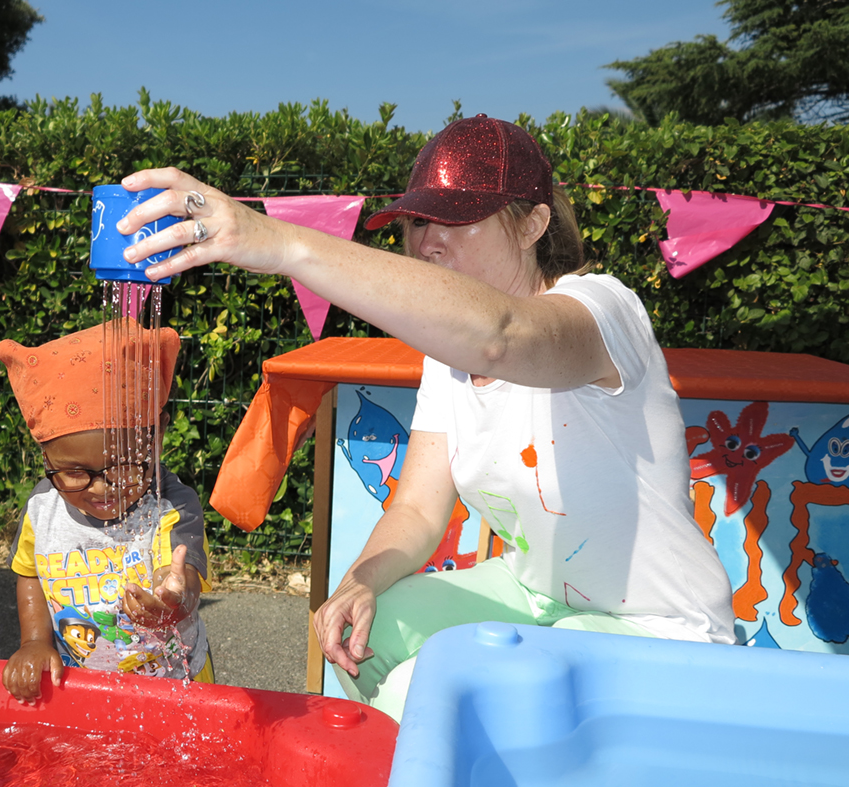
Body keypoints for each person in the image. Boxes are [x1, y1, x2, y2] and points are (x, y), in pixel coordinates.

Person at [112, 114, 737, 719]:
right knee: (367, 630)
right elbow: (415, 509)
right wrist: (358, 580)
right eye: (415, 221)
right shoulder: (448, 358)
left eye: (456, 219)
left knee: (433, 693)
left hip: (662, 631)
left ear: (533, 225)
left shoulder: (603, 309)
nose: (425, 240)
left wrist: (279, 242)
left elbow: (501, 334)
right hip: (539, 600)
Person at [0, 319, 213, 702]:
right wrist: (33, 641)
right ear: (46, 456)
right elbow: (29, 573)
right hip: (82, 685)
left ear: (157, 433)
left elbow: (182, 574)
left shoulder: (169, 505)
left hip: (175, 686)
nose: (100, 488)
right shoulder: (41, 510)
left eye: (124, 466)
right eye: (75, 472)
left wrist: (173, 600)